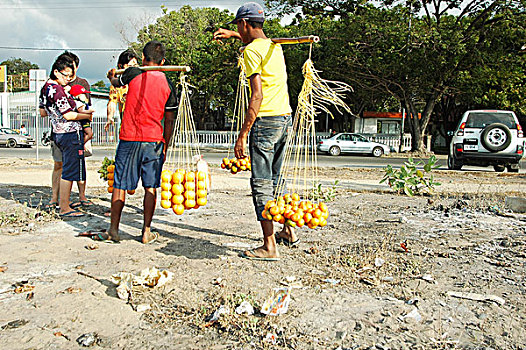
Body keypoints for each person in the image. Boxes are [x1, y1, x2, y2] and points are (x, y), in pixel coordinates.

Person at [213, 2, 297, 261]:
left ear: (244, 24)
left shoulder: (251, 52)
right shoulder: (275, 46)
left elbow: (256, 96)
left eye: (238, 26)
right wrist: (234, 35)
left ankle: (269, 245)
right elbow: (256, 40)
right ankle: (288, 230)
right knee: (276, 178)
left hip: (266, 121)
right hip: (285, 118)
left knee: (261, 184)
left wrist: (243, 133)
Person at [104, 41, 177, 243]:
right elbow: (169, 120)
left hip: (129, 139)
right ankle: (146, 231)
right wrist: (166, 145)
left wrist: (111, 76)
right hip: (154, 141)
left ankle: (114, 230)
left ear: (144, 58)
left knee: (119, 185)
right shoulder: (168, 84)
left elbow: (116, 83)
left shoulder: (133, 73)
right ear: (162, 62)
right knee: (150, 187)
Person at [39, 56, 94, 217]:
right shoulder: (57, 90)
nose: (68, 79)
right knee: (69, 172)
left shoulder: (45, 88)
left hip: (57, 132)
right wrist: (85, 117)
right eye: (65, 75)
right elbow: (69, 115)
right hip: (69, 133)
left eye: (70, 76)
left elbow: (43, 112)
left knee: (65, 169)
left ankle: (62, 202)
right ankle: (64, 207)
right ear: (56, 71)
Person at [105, 49, 139, 135]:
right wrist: (110, 116)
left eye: (136, 65)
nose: (133, 69)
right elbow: (112, 102)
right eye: (130, 66)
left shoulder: (142, 79)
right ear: (121, 66)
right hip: (127, 130)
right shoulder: (117, 85)